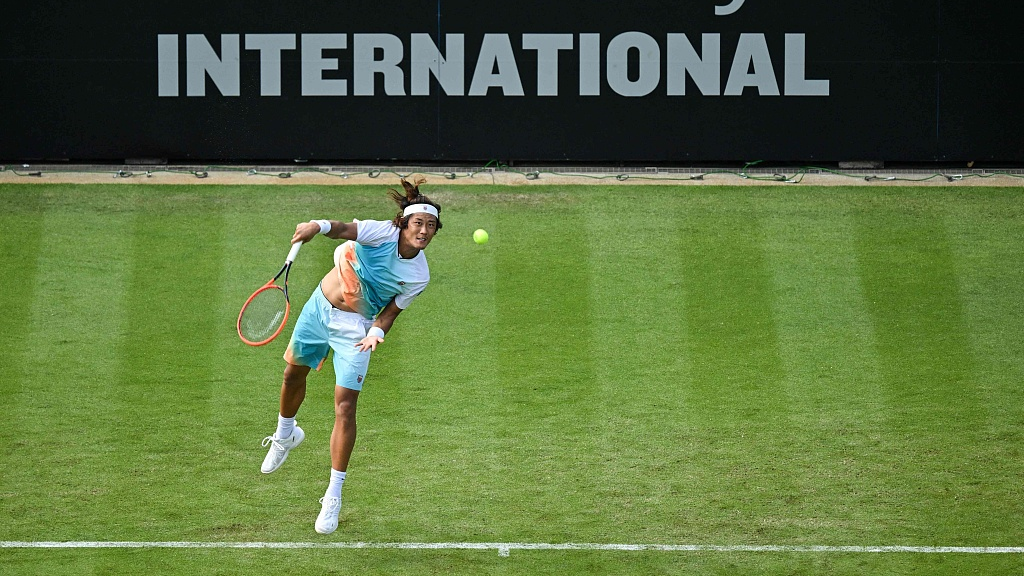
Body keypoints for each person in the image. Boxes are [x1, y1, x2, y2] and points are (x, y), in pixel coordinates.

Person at [259, 177, 442, 535]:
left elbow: (390, 312)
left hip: (355, 331)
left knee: (345, 407)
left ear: (435, 233)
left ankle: (333, 494)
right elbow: (343, 229)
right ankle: (285, 434)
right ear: (403, 224)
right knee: (292, 375)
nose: (423, 230)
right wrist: (318, 226)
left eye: (431, 226)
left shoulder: (419, 275)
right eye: (418, 223)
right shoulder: (379, 233)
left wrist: (376, 332)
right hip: (319, 309)